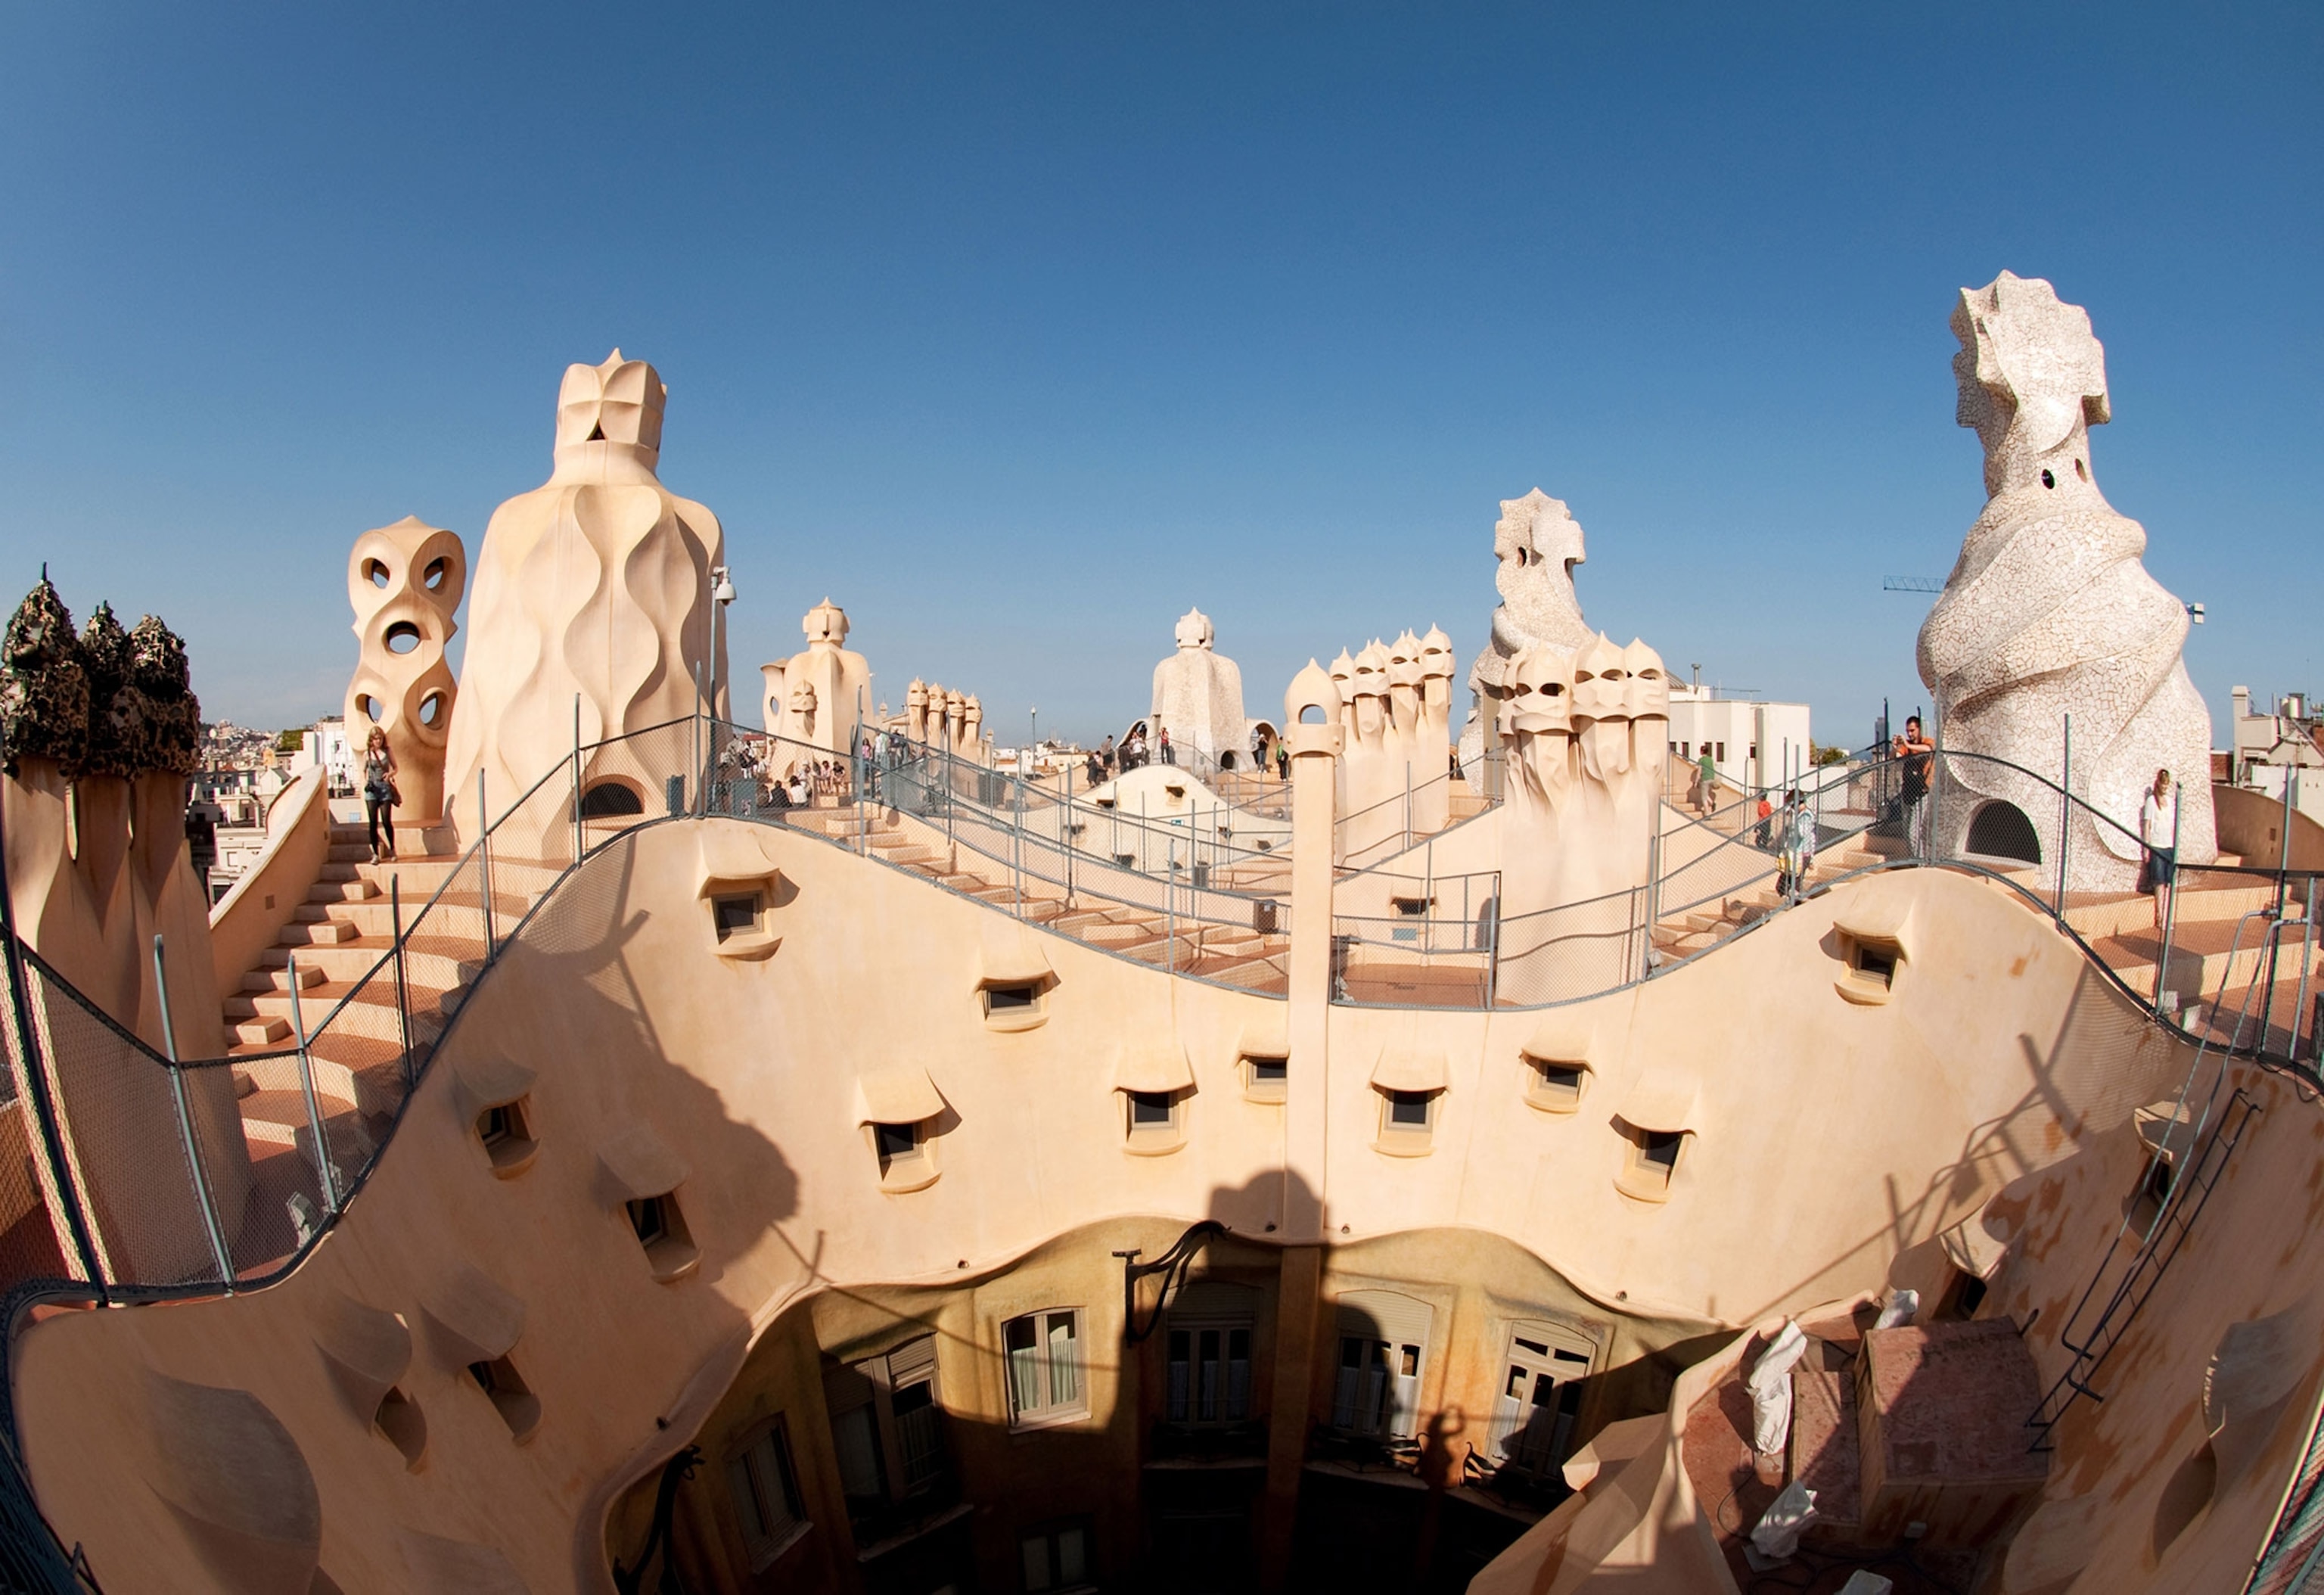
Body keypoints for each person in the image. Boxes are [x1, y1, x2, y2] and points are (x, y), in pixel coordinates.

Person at [2140, 768, 2178, 930]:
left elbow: (2172, 824)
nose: (2164, 789)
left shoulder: (2170, 801)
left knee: (2168, 882)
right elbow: (2147, 824)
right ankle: (2160, 917)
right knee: (2159, 883)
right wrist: (2146, 847)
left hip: (2168, 844)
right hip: (2156, 845)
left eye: (2167, 786)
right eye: (2162, 785)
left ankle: (2167, 916)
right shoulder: (2151, 802)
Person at [1893, 715, 1935, 857]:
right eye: (1908, 731)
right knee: (1906, 831)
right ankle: (1914, 859)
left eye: (1912, 730)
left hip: (1921, 792)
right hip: (1907, 791)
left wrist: (1908, 745)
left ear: (1919, 729)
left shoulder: (1926, 742)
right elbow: (1895, 757)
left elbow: (1928, 749)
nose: (1910, 734)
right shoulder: (1906, 746)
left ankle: (1921, 862)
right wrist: (1896, 747)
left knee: (1914, 831)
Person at [361, 726, 399, 863]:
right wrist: (366, 781)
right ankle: (375, 854)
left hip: (384, 789)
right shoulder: (367, 754)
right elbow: (364, 770)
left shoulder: (387, 752)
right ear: (371, 740)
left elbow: (396, 768)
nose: (378, 741)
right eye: (376, 739)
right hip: (372, 790)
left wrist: (390, 775)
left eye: (380, 738)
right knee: (372, 822)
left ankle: (392, 848)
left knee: (386, 820)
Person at [1695, 748, 1717, 816]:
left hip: (1705, 779)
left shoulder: (1701, 760)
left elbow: (1699, 771)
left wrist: (1696, 782)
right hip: (1711, 778)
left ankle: (1707, 815)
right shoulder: (1710, 759)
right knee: (1705, 794)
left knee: (1704, 798)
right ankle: (1712, 803)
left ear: (1701, 752)